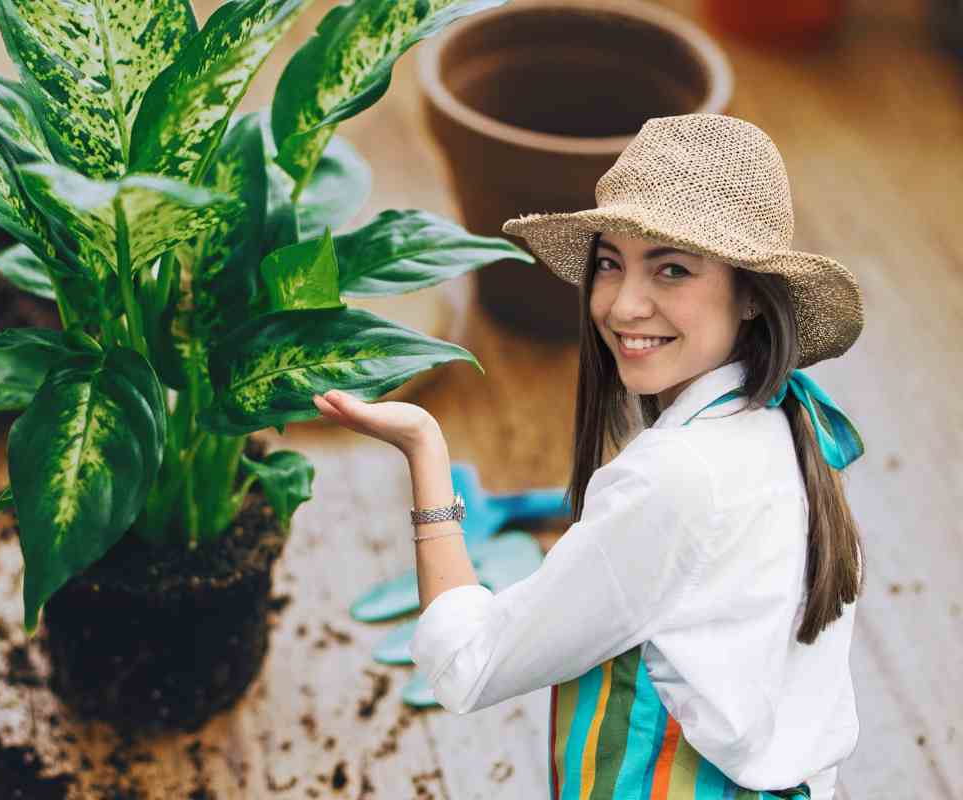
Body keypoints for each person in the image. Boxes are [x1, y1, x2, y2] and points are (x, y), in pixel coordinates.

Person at [310, 113, 864, 799]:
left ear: (752, 293)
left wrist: (424, 447)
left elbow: (467, 665)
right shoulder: (787, 424)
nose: (625, 305)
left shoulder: (673, 481)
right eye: (610, 264)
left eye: (672, 269)